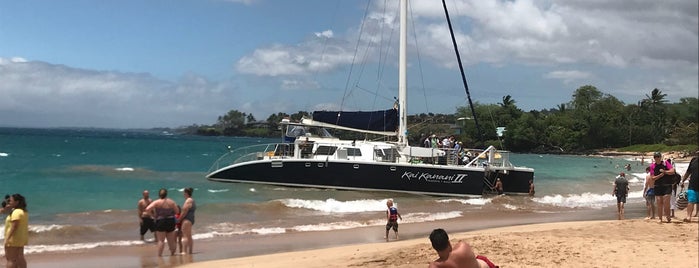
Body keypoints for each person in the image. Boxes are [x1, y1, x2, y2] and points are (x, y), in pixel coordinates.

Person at [428, 228, 498, 268]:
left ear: (434, 247)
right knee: (480, 258)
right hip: (485, 266)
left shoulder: (435, 265)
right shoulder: (462, 246)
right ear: (448, 242)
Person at [145, 188, 180, 257]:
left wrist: (153, 216)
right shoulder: (171, 202)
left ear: (159, 194)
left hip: (161, 221)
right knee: (171, 240)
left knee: (161, 240)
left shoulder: (157, 202)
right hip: (170, 220)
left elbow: (147, 209)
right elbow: (177, 211)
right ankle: (172, 254)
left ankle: (160, 255)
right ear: (166, 194)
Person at [650, 152, 676, 223]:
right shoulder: (652, 166)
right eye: (655, 157)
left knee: (666, 201)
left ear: (660, 157)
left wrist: (664, 172)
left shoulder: (665, 163)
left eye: (658, 156)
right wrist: (660, 176)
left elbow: (672, 171)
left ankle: (668, 216)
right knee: (659, 202)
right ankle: (660, 218)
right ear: (654, 158)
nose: (657, 158)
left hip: (667, 185)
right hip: (658, 186)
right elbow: (652, 178)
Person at [4, 194, 28, 268]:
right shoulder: (23, 211)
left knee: (11, 259)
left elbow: (14, 226)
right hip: (20, 238)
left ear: (16, 202)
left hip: (13, 239)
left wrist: (7, 239)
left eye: (11, 201)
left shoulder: (16, 212)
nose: (9, 202)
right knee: (19, 258)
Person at [681, 153, 698, 222]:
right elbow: (688, 172)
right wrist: (683, 181)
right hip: (692, 185)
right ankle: (688, 217)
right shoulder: (693, 160)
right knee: (691, 200)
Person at [180, 187, 196, 254]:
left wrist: (179, 219)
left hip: (187, 219)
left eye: (184, 193)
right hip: (191, 219)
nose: (183, 194)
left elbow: (185, 211)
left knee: (185, 235)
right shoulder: (192, 200)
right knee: (189, 235)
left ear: (186, 193)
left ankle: (184, 251)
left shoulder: (188, 200)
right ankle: (190, 251)